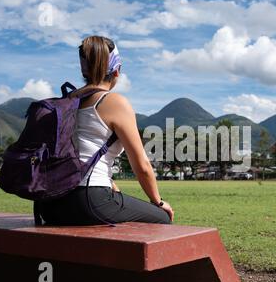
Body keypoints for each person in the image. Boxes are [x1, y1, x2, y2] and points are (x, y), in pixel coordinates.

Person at [35, 36, 173, 226]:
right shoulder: (115, 102)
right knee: (162, 218)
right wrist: (158, 201)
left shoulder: (66, 101)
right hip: (88, 200)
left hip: (48, 205)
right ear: (116, 71)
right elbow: (141, 166)